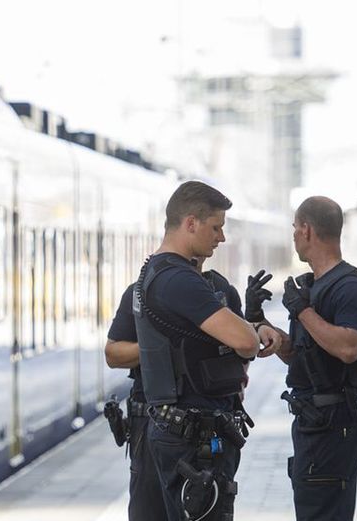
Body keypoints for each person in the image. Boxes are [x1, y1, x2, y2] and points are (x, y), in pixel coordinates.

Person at [134, 180, 280, 521]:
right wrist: (251, 332)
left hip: (180, 429)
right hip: (193, 439)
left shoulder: (155, 273)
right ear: (190, 223)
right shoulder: (179, 280)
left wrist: (251, 326)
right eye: (216, 227)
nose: (222, 237)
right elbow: (245, 343)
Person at [253, 196, 357, 521]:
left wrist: (303, 311)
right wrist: (262, 324)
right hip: (313, 421)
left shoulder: (350, 287)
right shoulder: (314, 287)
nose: (293, 235)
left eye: (295, 228)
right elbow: (302, 356)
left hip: (334, 424)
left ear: (306, 230)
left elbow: (349, 348)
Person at [104, 258, 249, 521]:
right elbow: (113, 353)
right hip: (150, 421)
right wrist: (162, 346)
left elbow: (243, 350)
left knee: (204, 508)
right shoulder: (142, 293)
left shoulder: (222, 292)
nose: (219, 239)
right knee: (149, 512)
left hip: (208, 426)